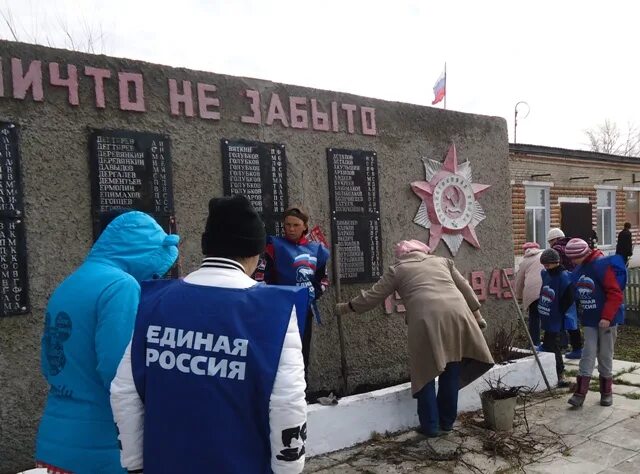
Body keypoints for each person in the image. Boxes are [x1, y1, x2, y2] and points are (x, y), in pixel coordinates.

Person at [111, 195, 308, 473]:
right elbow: (287, 401)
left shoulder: (154, 302)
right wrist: (289, 469)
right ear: (255, 252)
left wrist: (135, 464)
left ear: (208, 247)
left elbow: (124, 392)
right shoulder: (274, 310)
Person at [35, 211, 180, 474]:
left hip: (56, 437)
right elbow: (119, 370)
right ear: (142, 254)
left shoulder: (72, 281)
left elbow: (50, 362)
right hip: (102, 443)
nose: (155, 277)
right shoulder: (120, 286)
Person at [335, 240, 494, 437]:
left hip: (426, 320)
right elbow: (467, 289)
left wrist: (346, 307)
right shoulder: (442, 262)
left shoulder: (398, 270)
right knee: (451, 369)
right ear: (424, 252)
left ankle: (430, 427)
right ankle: (446, 423)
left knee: (424, 373)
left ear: (403, 255)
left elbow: (371, 297)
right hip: (458, 315)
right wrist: (477, 315)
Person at [257, 206, 330, 379]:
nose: (291, 229)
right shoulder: (273, 246)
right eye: (287, 224)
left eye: (295, 225)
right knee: (279, 352)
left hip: (305, 309)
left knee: (302, 352)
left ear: (305, 226)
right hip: (279, 308)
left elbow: (323, 279)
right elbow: (261, 275)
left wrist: (313, 294)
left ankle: (302, 392)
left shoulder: (317, 250)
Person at [565, 238, 626, 407]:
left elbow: (615, 293)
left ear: (581, 254)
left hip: (608, 319)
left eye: (573, 258)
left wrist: (606, 317)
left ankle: (606, 392)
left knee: (605, 354)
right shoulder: (579, 268)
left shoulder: (601, 266)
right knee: (588, 352)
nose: (571, 261)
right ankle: (580, 392)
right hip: (590, 318)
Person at [538, 249, 577, 388]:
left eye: (548, 265)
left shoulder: (564, 277)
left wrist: (559, 312)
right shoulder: (547, 274)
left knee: (553, 345)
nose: (545, 268)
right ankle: (554, 372)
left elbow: (569, 298)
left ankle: (560, 374)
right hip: (548, 315)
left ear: (556, 262)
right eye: (544, 265)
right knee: (549, 344)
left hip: (557, 318)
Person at [547, 228, 583, 359]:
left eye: (550, 241)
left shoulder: (556, 249)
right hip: (575, 285)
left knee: (562, 316)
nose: (550, 245)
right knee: (573, 317)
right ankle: (577, 347)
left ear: (555, 239)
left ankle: (564, 344)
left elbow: (555, 270)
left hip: (563, 287)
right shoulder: (571, 246)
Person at [514, 242, 544, 349]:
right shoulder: (543, 256)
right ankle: (559, 342)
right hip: (546, 290)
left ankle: (534, 343)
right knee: (549, 316)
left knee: (534, 318)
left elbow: (519, 281)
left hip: (532, 293)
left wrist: (518, 297)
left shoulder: (525, 261)